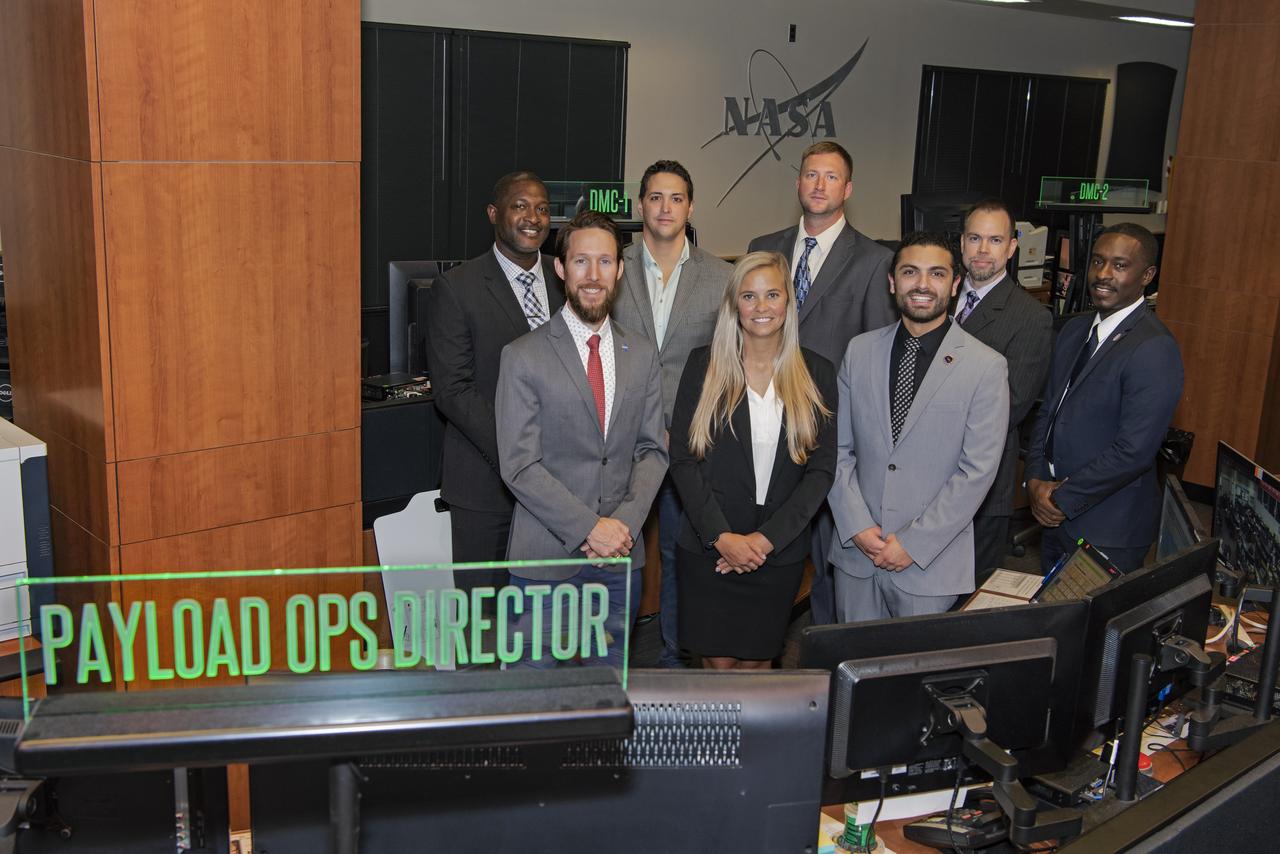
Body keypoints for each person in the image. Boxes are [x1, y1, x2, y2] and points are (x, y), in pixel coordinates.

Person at [496, 210, 667, 667]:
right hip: (545, 563)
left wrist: (623, 526)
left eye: (605, 262)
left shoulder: (642, 354)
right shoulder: (522, 357)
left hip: (620, 562)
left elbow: (652, 450)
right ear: (560, 268)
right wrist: (592, 528)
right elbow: (519, 465)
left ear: (621, 269)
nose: (593, 276)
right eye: (581, 262)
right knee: (533, 707)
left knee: (606, 704)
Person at [748, 140, 896, 626]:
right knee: (767, 547)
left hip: (832, 431)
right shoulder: (761, 248)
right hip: (763, 425)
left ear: (847, 189)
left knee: (832, 560)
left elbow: (875, 355)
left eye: (830, 177)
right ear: (798, 183)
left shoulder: (874, 260)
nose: (819, 184)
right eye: (811, 174)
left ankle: (831, 668)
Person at [828, 232, 1008, 621]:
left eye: (937, 274)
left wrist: (912, 542)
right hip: (856, 555)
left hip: (930, 563)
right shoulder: (859, 352)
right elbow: (836, 450)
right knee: (852, 673)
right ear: (892, 282)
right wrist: (856, 526)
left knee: (914, 679)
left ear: (955, 284)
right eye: (910, 272)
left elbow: (977, 471)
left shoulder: (986, 367)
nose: (923, 285)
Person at [668, 251, 836, 668]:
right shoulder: (703, 366)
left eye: (772, 295)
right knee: (716, 668)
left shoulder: (817, 372)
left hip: (776, 550)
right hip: (710, 547)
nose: (761, 307)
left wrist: (764, 541)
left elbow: (821, 471)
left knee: (759, 666)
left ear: (788, 303)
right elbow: (683, 460)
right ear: (734, 306)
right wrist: (721, 537)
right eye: (749, 296)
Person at [612, 160, 732, 668]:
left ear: (690, 207)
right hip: (621, 443)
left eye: (676, 198)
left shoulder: (722, 276)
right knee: (618, 554)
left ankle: (675, 658)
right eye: (655, 197)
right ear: (640, 205)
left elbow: (729, 362)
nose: (665, 207)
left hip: (690, 443)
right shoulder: (610, 265)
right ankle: (608, 663)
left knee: (684, 558)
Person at [1025, 223, 1183, 574]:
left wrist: (1061, 499)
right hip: (1053, 516)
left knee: (1095, 629)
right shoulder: (1074, 330)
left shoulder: (1153, 348)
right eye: (1097, 262)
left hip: (1107, 528)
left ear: (1148, 275)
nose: (1103, 275)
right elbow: (1049, 411)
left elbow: (1134, 451)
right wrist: (1034, 481)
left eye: (1120, 265)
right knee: (1054, 621)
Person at [425, 171, 563, 564]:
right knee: (486, 618)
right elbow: (453, 390)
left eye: (542, 209)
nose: (532, 217)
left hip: (565, 486)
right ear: (493, 213)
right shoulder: (457, 287)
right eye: (519, 206)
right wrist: (522, 452)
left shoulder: (568, 277)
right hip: (488, 485)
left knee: (549, 617)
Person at [955, 199, 1053, 583]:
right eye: (975, 238)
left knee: (967, 594)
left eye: (994, 240)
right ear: (961, 242)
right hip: (918, 480)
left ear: (1012, 248)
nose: (982, 250)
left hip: (980, 482)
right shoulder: (934, 296)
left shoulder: (1030, 318)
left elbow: (1007, 409)